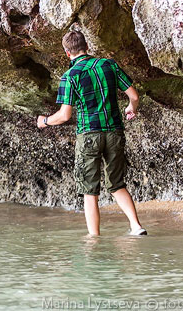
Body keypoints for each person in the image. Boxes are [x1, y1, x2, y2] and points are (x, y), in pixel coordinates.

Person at [36, 30, 147, 237]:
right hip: (114, 132)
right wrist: (131, 108)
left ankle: (94, 238)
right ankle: (136, 226)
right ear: (87, 46)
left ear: (67, 53)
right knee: (116, 184)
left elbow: (64, 115)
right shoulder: (109, 65)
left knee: (89, 190)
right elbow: (134, 95)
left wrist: (44, 121)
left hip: (88, 135)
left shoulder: (70, 76)